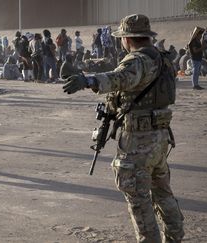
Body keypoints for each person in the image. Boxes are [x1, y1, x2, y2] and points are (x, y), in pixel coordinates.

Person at [63, 14, 184, 243]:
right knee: (163, 194)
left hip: (139, 141)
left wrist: (88, 81)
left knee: (139, 200)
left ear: (128, 38)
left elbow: (120, 78)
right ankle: (175, 237)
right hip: (159, 136)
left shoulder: (136, 60)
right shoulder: (161, 58)